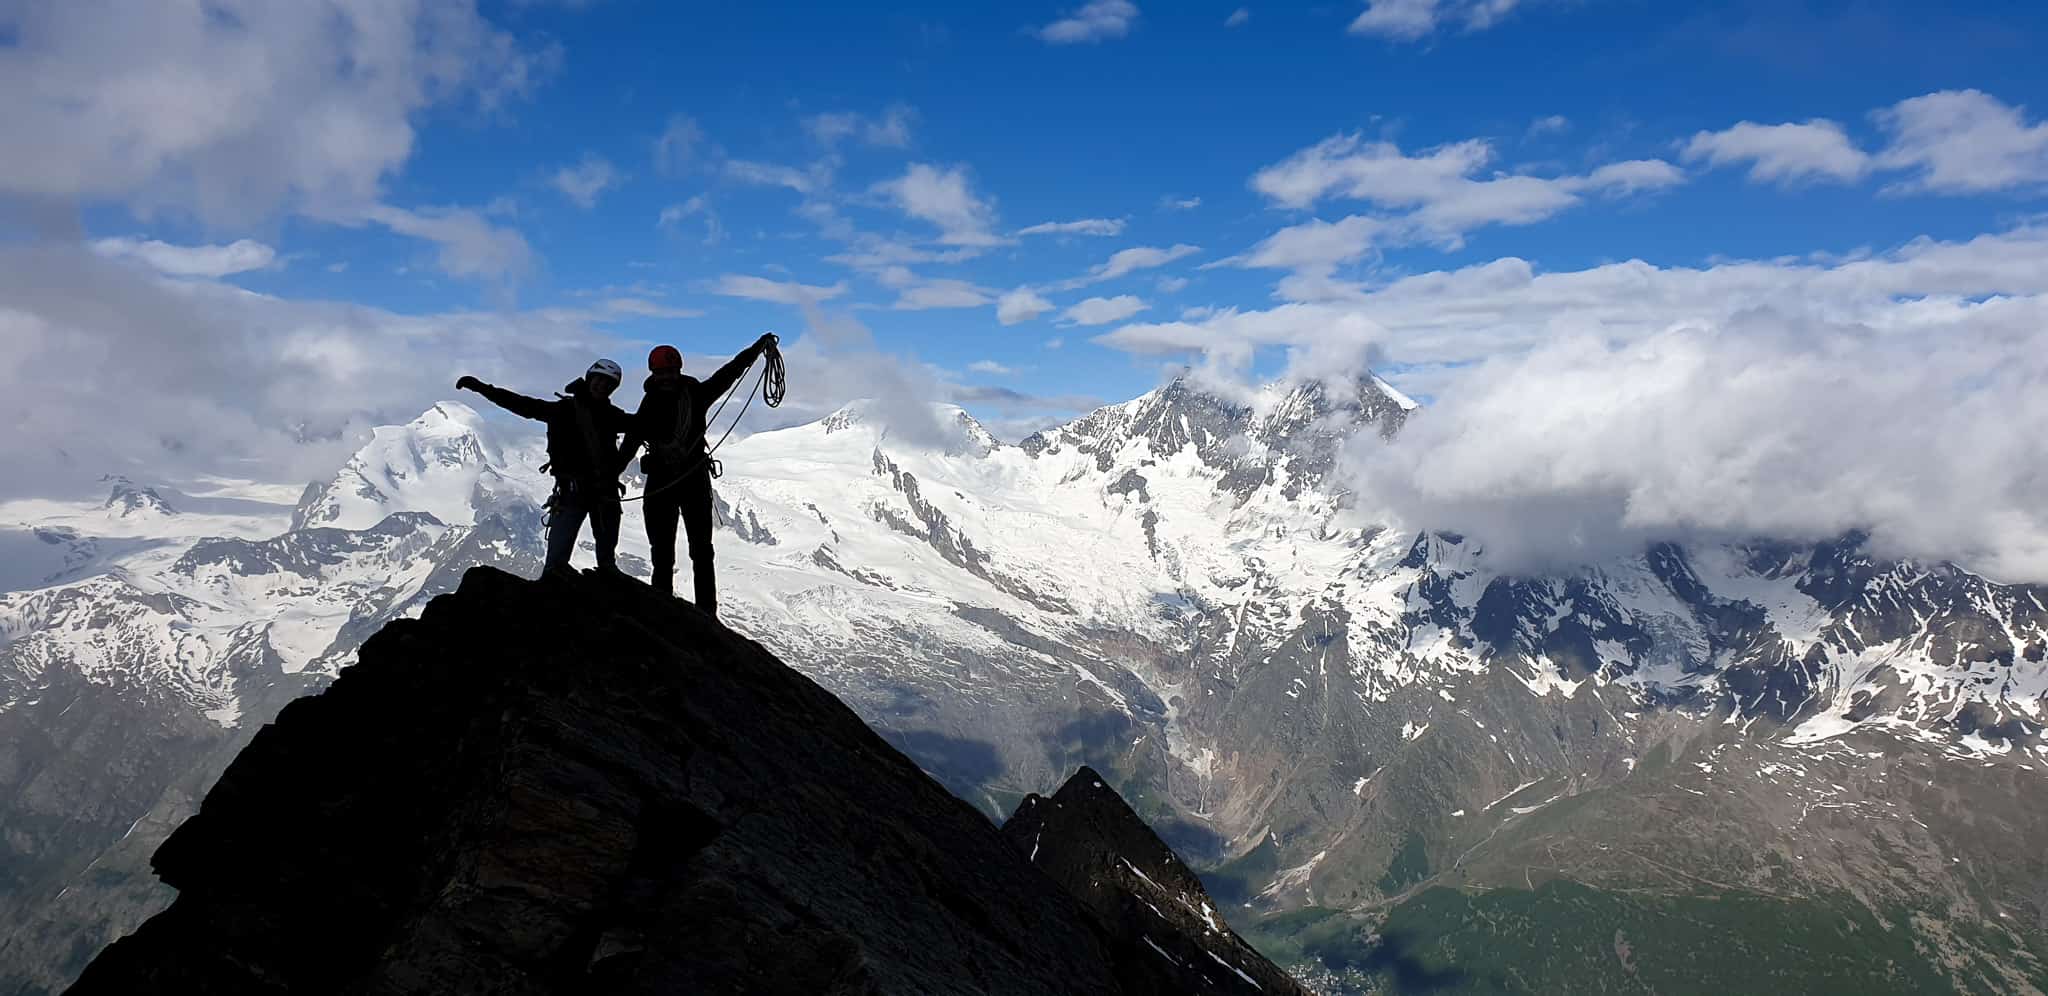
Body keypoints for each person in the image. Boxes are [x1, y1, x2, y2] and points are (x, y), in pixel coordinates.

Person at [618, 334, 777, 614]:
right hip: (688, 479)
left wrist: (756, 348)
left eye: (669, 372)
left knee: (690, 551)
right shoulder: (691, 397)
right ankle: (691, 611)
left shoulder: (660, 403)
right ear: (655, 374)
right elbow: (629, 445)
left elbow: (730, 372)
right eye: (662, 372)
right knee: (680, 552)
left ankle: (690, 612)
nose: (666, 377)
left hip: (671, 481)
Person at [456, 360, 632, 577]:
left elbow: (644, 425)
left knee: (581, 563)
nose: (602, 386)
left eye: (608, 384)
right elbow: (520, 404)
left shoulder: (610, 415)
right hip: (580, 492)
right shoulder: (565, 411)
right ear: (589, 380)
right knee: (570, 563)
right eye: (599, 381)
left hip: (594, 493)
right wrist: (482, 389)